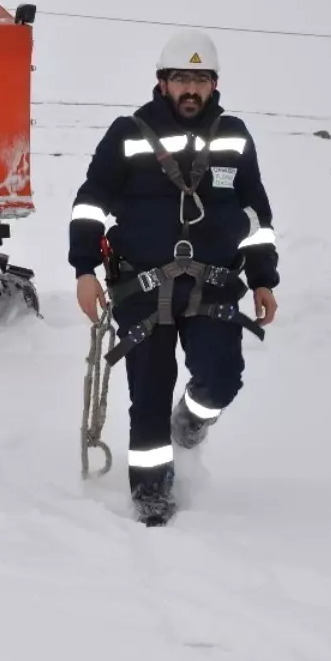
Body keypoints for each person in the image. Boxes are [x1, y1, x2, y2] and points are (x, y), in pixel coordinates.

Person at [67, 29, 280, 526]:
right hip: (140, 288)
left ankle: (192, 420)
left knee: (222, 380)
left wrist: (264, 278)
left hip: (214, 284)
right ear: (162, 83)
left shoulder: (234, 135)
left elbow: (257, 215)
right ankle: (150, 493)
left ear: (215, 85)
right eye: (181, 77)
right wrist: (83, 270)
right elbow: (89, 204)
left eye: (200, 79)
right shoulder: (127, 133)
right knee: (149, 396)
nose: (191, 88)